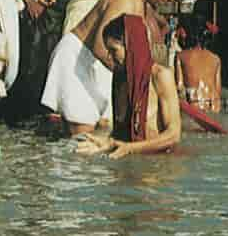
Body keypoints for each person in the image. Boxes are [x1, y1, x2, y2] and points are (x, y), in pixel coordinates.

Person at [42, 0, 186, 135]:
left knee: (100, 131)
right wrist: (138, 81)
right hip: (77, 58)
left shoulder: (140, 1)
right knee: (83, 134)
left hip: (93, 62)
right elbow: (100, 47)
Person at [74, 14, 181, 158]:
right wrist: (107, 143)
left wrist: (130, 148)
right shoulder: (120, 80)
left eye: (113, 50)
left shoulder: (161, 76)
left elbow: (173, 135)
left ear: (132, 45)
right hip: (131, 165)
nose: (110, 57)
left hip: (159, 171)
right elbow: (122, 135)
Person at [175, 13, 222, 113]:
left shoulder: (181, 56)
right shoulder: (216, 59)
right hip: (214, 107)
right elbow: (217, 92)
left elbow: (180, 88)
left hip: (194, 107)